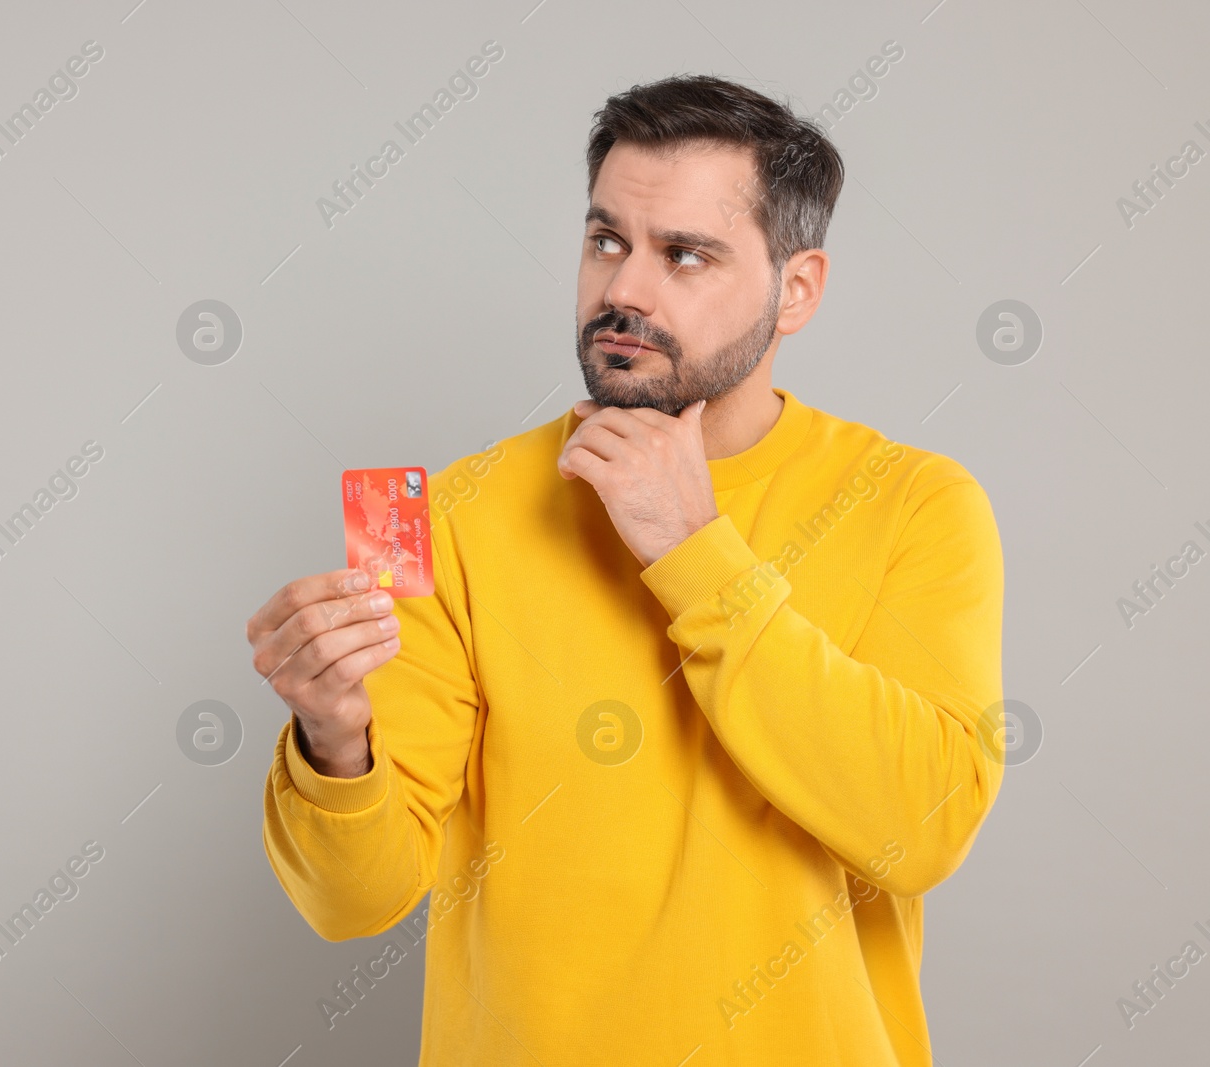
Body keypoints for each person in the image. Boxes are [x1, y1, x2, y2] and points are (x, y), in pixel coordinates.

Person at [247, 73, 1004, 1066]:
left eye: (684, 254)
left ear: (797, 288)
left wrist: (696, 556)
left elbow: (925, 825)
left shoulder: (916, 501)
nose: (623, 291)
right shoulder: (450, 516)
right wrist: (331, 738)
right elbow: (354, 900)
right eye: (607, 240)